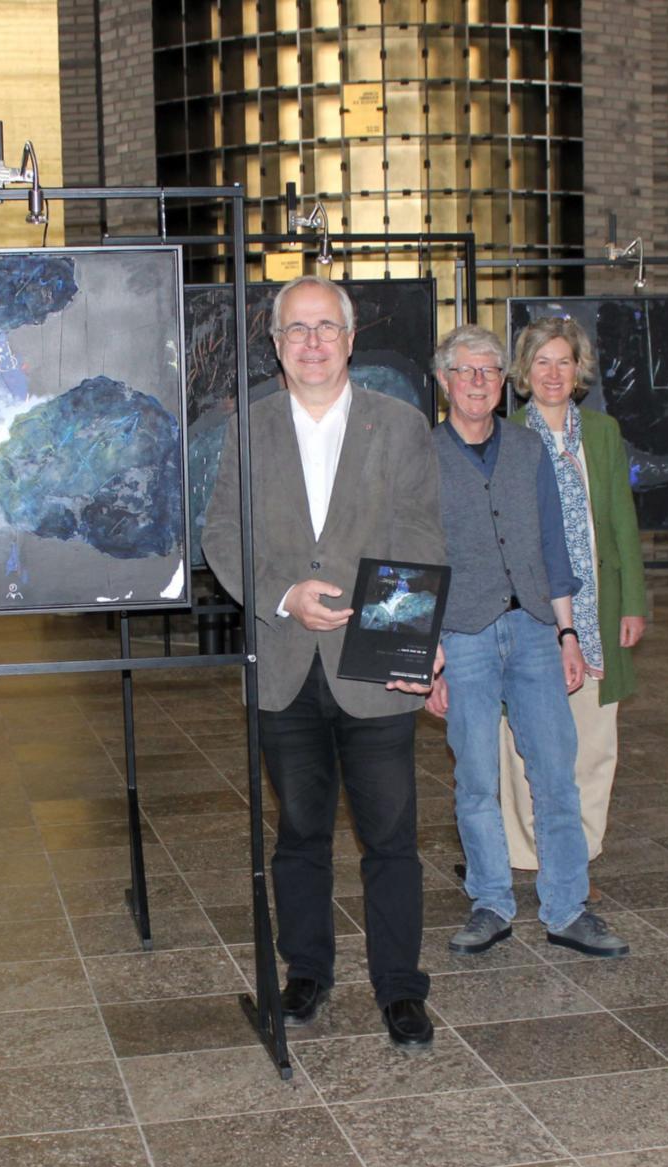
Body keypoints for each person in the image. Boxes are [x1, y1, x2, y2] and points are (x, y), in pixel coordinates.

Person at [202, 275, 445, 1051]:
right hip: (284, 667)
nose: (311, 342)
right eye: (295, 329)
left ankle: (400, 987)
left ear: (349, 339)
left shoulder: (401, 427)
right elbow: (222, 536)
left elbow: (421, 540)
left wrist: (416, 641)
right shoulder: (249, 431)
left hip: (374, 667)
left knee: (391, 836)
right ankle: (305, 969)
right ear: (275, 345)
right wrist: (282, 596)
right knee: (300, 832)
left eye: (325, 327)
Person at [426, 325, 627, 960]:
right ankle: (490, 901)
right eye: (466, 371)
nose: (479, 381)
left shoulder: (527, 450)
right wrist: (428, 655)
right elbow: (412, 556)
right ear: (445, 382)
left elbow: (555, 548)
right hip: (463, 637)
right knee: (478, 778)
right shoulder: (422, 456)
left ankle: (568, 907)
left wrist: (568, 632)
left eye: (488, 370)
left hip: (538, 630)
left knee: (556, 776)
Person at [497, 316, 649, 865]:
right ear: (524, 372)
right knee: (521, 745)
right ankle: (528, 852)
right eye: (542, 362)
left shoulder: (604, 434)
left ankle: (579, 852)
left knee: (593, 740)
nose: (553, 373)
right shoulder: (507, 436)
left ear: (579, 370)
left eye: (563, 361)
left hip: (596, 611)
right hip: (531, 615)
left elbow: (621, 523)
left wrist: (632, 601)